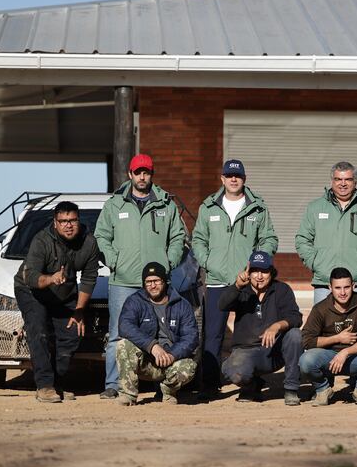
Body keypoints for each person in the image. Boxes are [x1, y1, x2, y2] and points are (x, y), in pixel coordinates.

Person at [94, 153, 187, 399]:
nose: (142, 176)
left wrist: (169, 262)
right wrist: (114, 261)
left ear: (152, 174)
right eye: (138, 172)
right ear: (130, 174)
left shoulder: (166, 204)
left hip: (157, 282)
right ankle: (113, 384)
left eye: (146, 172)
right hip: (123, 280)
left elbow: (178, 236)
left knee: (162, 332)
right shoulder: (114, 204)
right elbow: (101, 236)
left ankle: (162, 383)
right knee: (117, 332)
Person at [192, 159, 278, 397]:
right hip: (217, 281)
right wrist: (209, 262)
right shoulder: (209, 207)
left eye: (237, 176)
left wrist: (257, 265)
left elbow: (269, 239)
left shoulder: (258, 208)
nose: (233, 179)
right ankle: (209, 385)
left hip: (249, 282)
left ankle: (252, 383)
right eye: (229, 175)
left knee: (251, 335)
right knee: (213, 335)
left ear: (243, 179)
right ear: (222, 179)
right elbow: (198, 239)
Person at [13, 201, 100, 403]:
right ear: (55, 223)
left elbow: (89, 279)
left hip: (64, 292)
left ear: (79, 221)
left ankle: (56, 383)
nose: (68, 225)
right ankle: (44, 386)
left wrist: (79, 310)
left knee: (71, 335)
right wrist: (50, 279)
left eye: (72, 221)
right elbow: (31, 276)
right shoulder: (42, 240)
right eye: (63, 221)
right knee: (39, 331)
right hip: (32, 290)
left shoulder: (89, 243)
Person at [218, 251, 302, 405]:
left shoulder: (282, 289)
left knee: (295, 334)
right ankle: (251, 385)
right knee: (235, 373)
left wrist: (276, 326)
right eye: (255, 271)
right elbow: (222, 305)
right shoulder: (241, 291)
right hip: (246, 351)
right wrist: (236, 286)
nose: (259, 276)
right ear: (248, 273)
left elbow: (296, 317)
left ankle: (291, 388)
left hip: (274, 351)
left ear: (271, 272)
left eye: (264, 271)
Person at [295, 161, 357, 304]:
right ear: (332, 181)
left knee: (356, 326)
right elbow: (302, 239)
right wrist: (316, 264)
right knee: (323, 327)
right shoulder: (315, 207)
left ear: (355, 181)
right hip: (324, 283)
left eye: (347, 179)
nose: (343, 183)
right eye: (338, 179)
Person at [116, 262, 199, 406]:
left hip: (171, 361)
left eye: (156, 281)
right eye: (148, 282)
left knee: (189, 366)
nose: (152, 286)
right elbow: (125, 326)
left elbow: (191, 337)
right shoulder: (135, 301)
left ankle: (167, 392)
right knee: (123, 345)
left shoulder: (182, 304)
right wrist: (152, 346)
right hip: (147, 361)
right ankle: (128, 394)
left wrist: (172, 354)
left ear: (165, 281)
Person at [300, 267, 357, 407]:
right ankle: (323, 389)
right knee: (306, 361)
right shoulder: (320, 309)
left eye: (346, 287)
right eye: (338, 288)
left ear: (353, 286)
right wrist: (337, 338)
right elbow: (307, 340)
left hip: (354, 357)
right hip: (328, 357)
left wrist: (345, 352)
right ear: (330, 287)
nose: (342, 292)